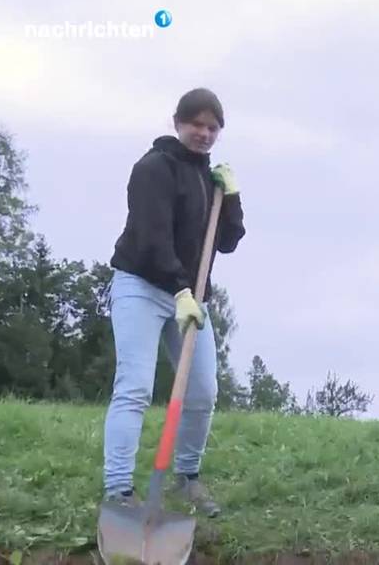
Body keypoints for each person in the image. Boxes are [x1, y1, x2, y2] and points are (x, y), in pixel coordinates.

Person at [102, 87, 246, 517]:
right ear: (178, 122)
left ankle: (188, 480)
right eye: (196, 124)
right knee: (134, 389)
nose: (203, 133)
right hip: (142, 287)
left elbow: (229, 240)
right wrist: (181, 289)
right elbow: (151, 239)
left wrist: (232, 195)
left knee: (202, 390)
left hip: (188, 296)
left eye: (212, 127)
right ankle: (119, 491)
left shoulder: (209, 179)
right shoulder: (153, 169)